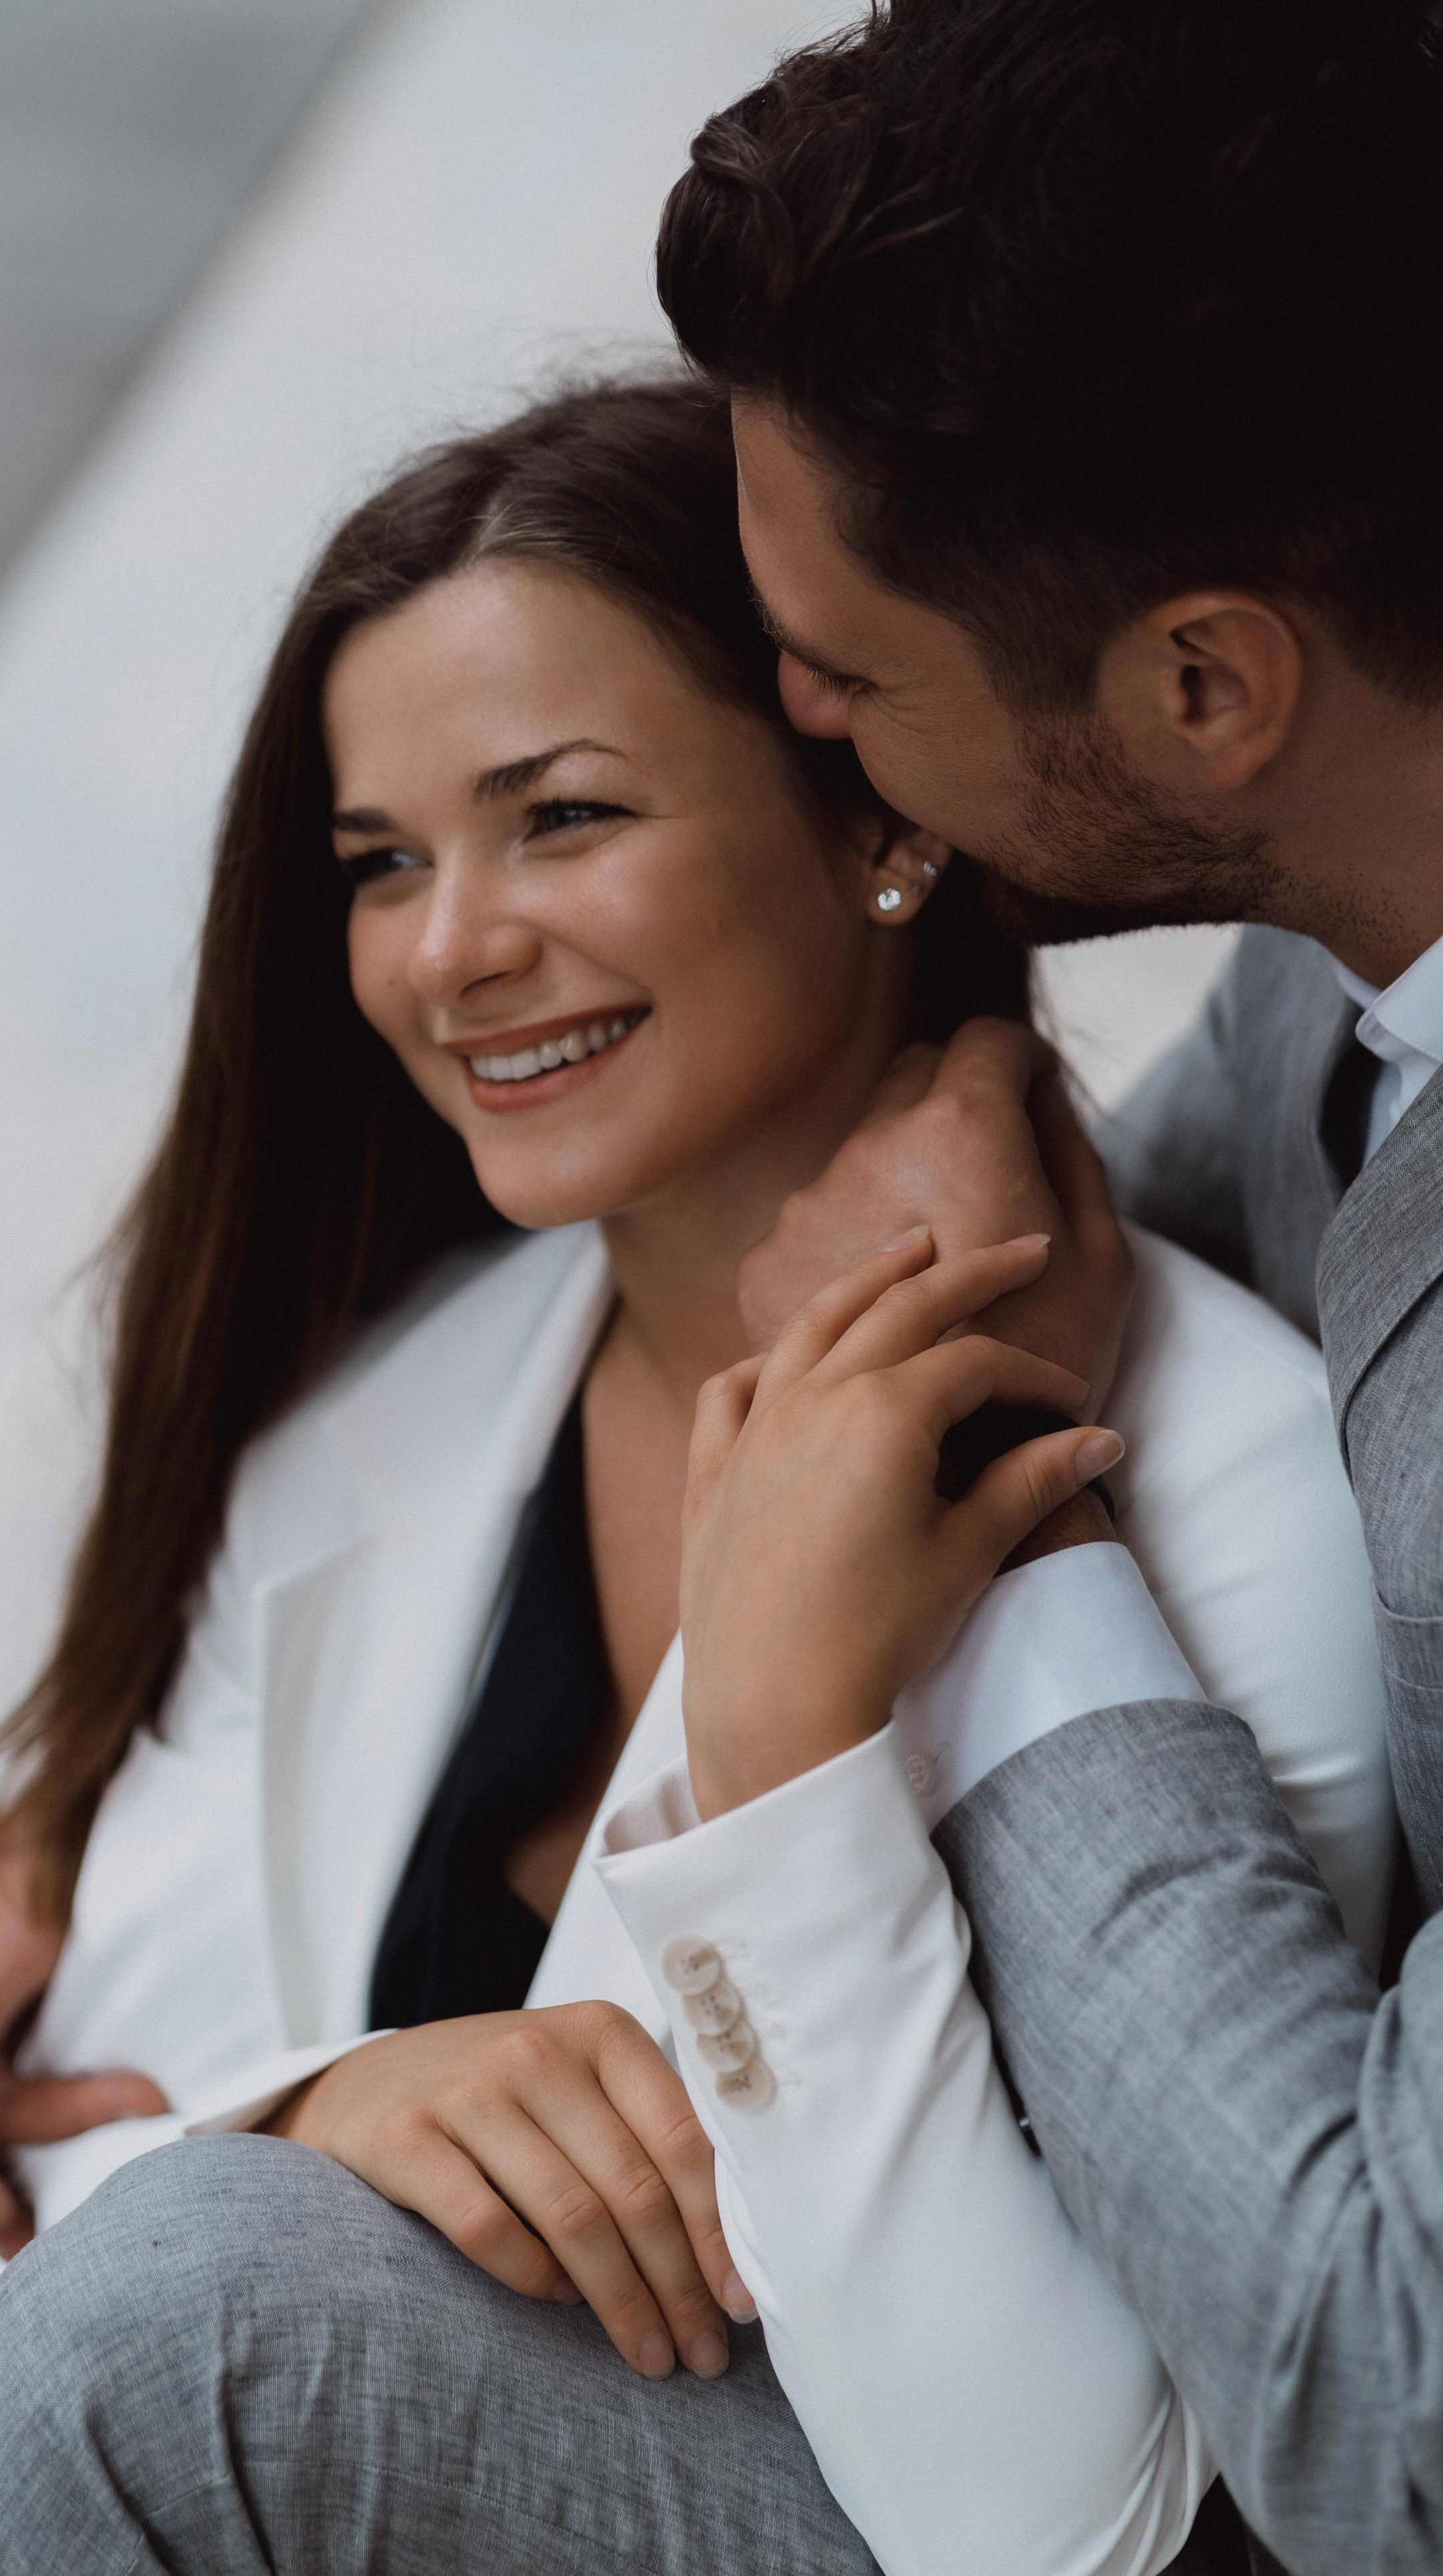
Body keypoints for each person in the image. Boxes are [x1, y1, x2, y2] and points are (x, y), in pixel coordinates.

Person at [0, 378, 1383, 2575]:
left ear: (877, 816)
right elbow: (75, 2127)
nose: (447, 950)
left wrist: (789, 1770)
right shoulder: (403, 1396)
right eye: (383, 865)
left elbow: (1060, 2510)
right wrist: (327, 2100)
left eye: (563, 818)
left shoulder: (1237, 1489)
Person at [645, 3, 1443, 2569]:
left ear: (1207, 687)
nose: (794, 722)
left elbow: (1395, 2416)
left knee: (192, 2348)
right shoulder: (1345, 940)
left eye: (848, 677)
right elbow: (1184, 1217)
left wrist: (1020, 1532)